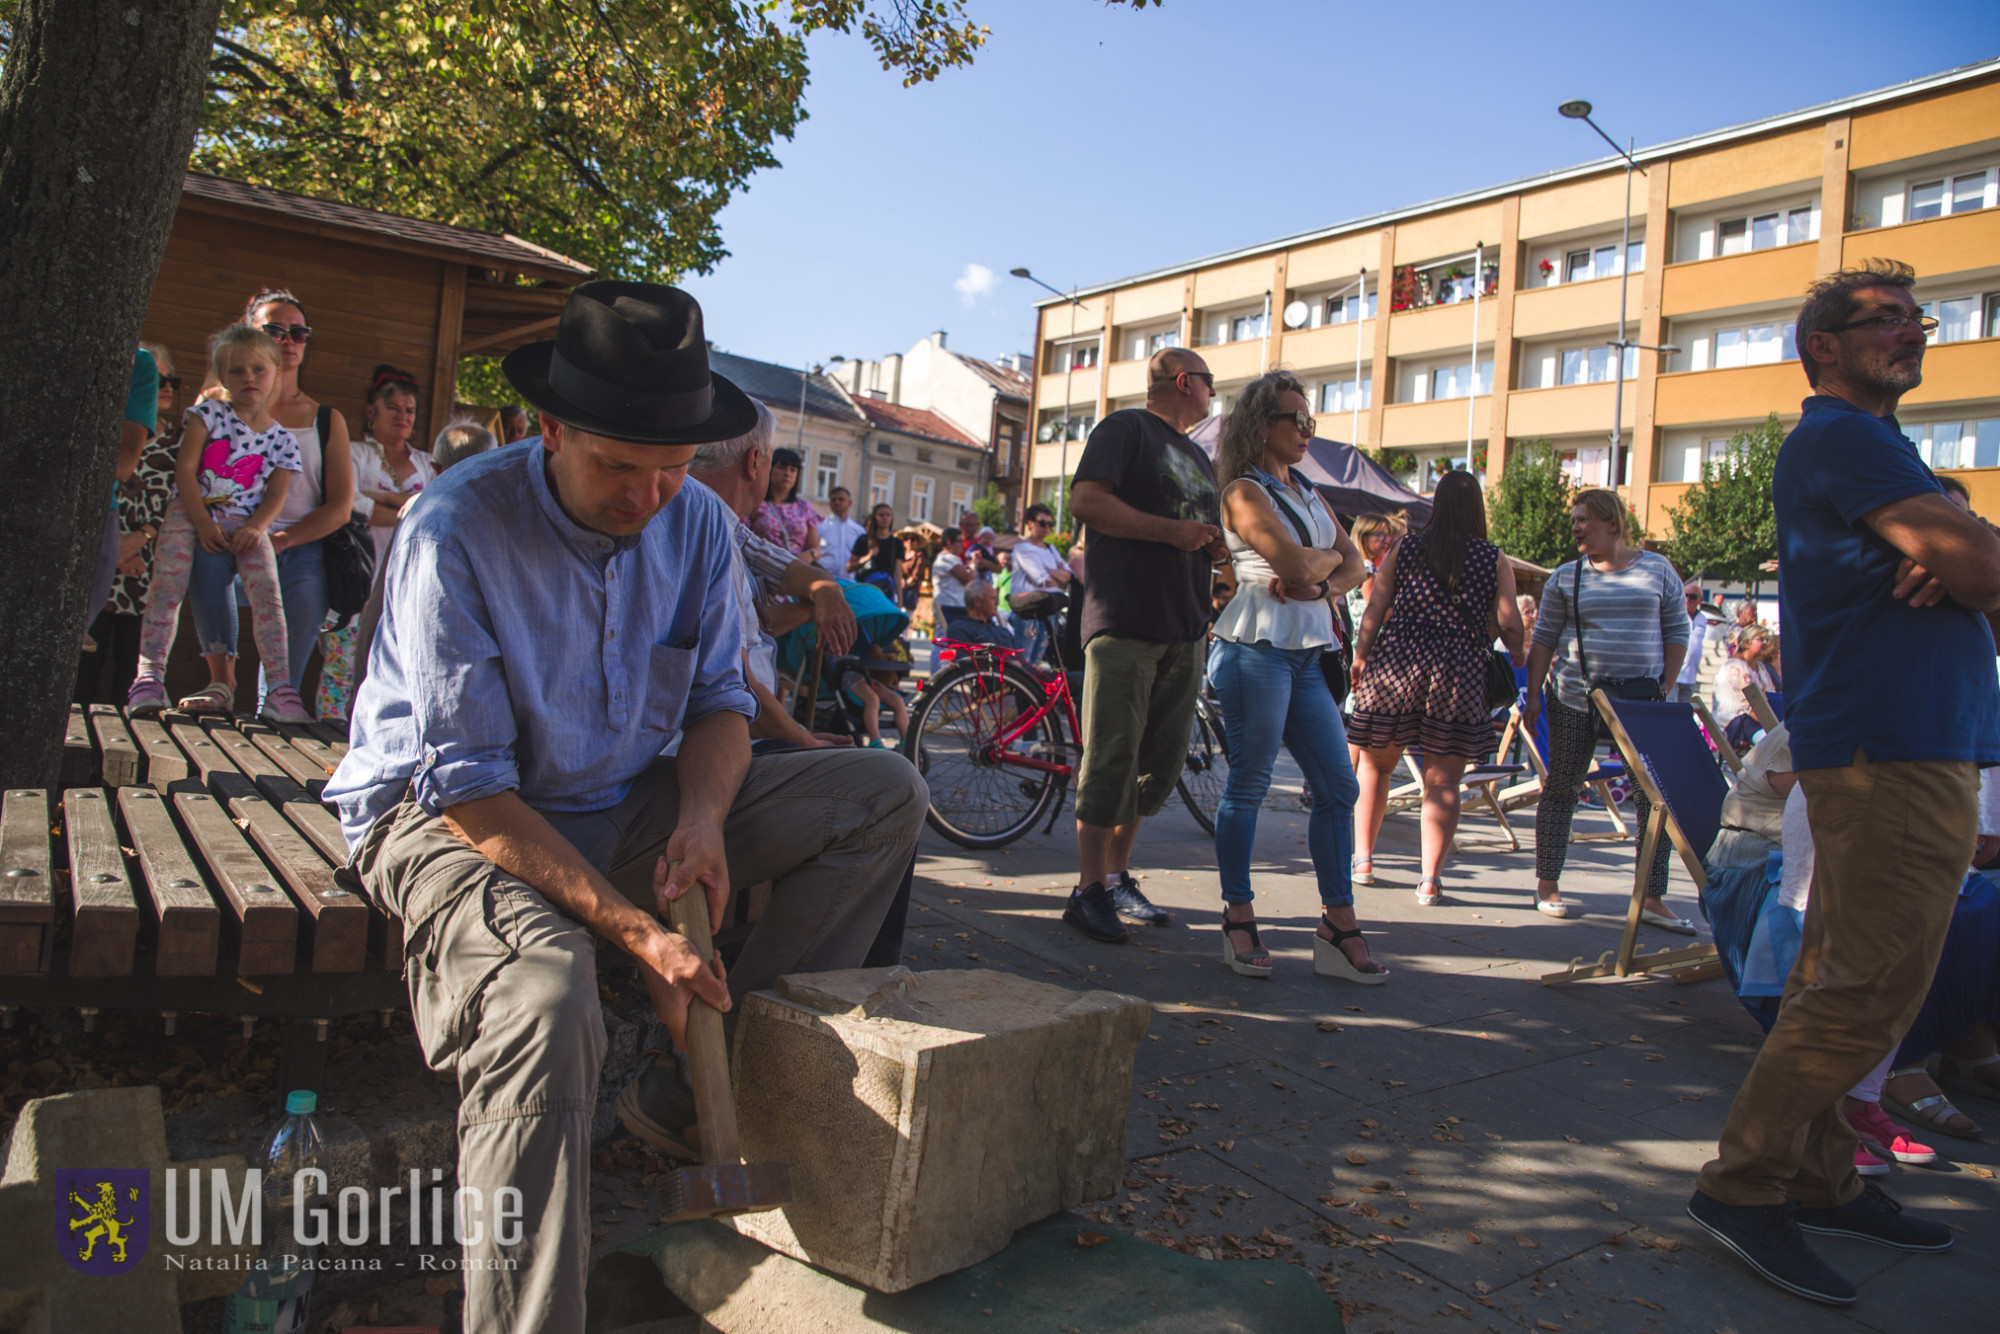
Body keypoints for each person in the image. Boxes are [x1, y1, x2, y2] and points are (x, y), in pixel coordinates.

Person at [324, 281, 926, 1332]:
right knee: (546, 1006)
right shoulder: (453, 528)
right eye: (616, 466)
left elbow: (720, 708)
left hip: (617, 793)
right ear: (548, 427)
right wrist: (637, 931)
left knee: (880, 793)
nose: (649, 496)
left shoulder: (691, 520)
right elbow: (467, 785)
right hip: (446, 817)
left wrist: (699, 822)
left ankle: (702, 1087)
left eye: (671, 468)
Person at [1686, 260, 2000, 1305]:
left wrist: (1956, 554)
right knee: (1868, 987)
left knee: (1856, 981)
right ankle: (1742, 1185)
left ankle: (1816, 1176)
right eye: (1884, 321)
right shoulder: (1844, 436)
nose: (1910, 333)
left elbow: (1972, 571)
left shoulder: (1877, 448)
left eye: (1917, 319)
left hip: (1898, 746)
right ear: (1822, 344)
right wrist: (1961, 554)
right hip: (1889, 752)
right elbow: (1983, 572)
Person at [1207, 370, 1377, 981]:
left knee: (1339, 788)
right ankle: (1238, 915)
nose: (1307, 431)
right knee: (1248, 786)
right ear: (1261, 425)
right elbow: (1290, 559)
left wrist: (1322, 579)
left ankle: (1338, 922)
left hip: (1307, 652)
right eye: (1295, 420)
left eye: (1311, 421)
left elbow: (1356, 561)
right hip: (1256, 646)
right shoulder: (1242, 492)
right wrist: (1320, 565)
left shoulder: (1306, 489)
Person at [1064, 348, 1226, 941]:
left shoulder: (1197, 456)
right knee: (1111, 760)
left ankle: (1115, 879)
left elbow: (1188, 528)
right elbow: (1086, 502)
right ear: (1184, 381)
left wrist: (1212, 546)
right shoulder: (1125, 428)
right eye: (1209, 383)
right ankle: (1086, 890)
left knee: (1155, 769)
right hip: (1126, 621)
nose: (1214, 394)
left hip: (1183, 627)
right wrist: (1173, 532)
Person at [1347, 472, 1525, 906]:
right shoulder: (1492, 558)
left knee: (1375, 766)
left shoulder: (1405, 548)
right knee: (1442, 781)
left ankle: (1364, 861)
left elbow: (1376, 606)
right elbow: (1508, 621)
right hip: (1457, 670)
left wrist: (1361, 655)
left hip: (1396, 663)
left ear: (1437, 505)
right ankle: (1429, 880)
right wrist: (1517, 653)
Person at [1517, 490, 1689, 922]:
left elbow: (1676, 628)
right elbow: (1544, 640)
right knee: (1562, 788)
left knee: (1654, 798)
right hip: (1576, 697)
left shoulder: (1657, 569)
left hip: (1640, 702)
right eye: (1573, 519)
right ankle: (1548, 884)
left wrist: (1667, 682)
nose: (1575, 526)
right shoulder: (1566, 577)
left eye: (1584, 520)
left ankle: (1650, 896)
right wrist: (1534, 694)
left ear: (1612, 523)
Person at [129, 325, 309, 723]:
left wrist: (257, 528)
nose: (248, 378)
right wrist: (201, 522)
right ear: (222, 377)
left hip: (247, 520)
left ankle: (281, 687)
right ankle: (149, 677)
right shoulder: (207, 415)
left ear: (276, 373)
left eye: (258, 370)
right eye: (236, 371)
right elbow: (186, 468)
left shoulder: (282, 440)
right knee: (168, 586)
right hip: (191, 511)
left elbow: (277, 492)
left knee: (268, 596)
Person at [688, 397, 861, 744]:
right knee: (897, 780)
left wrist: (824, 591)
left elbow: (775, 561)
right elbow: (732, 681)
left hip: (737, 732)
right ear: (755, 462)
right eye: (774, 463)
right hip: (716, 741)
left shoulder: (725, 522)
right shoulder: (702, 525)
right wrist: (804, 741)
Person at [238, 289, 359, 711]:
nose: (287, 340)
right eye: (274, 330)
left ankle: (258, 763)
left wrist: (283, 541)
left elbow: (341, 505)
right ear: (246, 333)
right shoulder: (218, 407)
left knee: (279, 687)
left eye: (298, 332)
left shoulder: (327, 419)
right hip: (227, 545)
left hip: (300, 553)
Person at [317, 367, 439, 721]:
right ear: (372, 411)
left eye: (410, 410)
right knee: (341, 669)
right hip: (355, 576)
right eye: (394, 408)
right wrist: (405, 505)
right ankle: (328, 738)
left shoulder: (425, 462)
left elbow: (432, 510)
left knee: (393, 672)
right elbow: (351, 506)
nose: (403, 416)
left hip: (404, 584)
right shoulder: (354, 454)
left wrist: (381, 499)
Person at [77, 343, 182, 703]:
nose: (166, 387)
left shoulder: (178, 440)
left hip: (144, 564)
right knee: (83, 664)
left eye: (173, 381)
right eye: (161, 379)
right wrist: (113, 548)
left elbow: (175, 498)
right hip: (105, 547)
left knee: (129, 664)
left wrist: (140, 539)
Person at [1010, 503, 1073, 664]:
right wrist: (1055, 572)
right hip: (1028, 611)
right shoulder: (1023, 549)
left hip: (1048, 610)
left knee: (1037, 660)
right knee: (1024, 659)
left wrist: (1049, 570)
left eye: (1050, 524)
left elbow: (1067, 576)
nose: (1047, 528)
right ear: (1030, 524)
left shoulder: (1051, 549)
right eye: (1042, 523)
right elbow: (1042, 580)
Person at [749, 445, 820, 562]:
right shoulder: (755, 504)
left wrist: (809, 555)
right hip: (762, 569)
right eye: (781, 467)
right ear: (770, 470)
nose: (787, 473)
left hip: (797, 571)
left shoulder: (804, 507)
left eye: (793, 470)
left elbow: (815, 548)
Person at [848, 503, 905, 600]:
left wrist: (900, 597)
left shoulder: (897, 543)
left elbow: (897, 573)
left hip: (886, 590)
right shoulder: (864, 540)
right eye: (881, 515)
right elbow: (849, 567)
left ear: (892, 518)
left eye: (888, 515)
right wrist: (867, 557)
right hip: (865, 588)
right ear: (875, 518)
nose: (885, 518)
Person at [928, 528, 975, 638]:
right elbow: (968, 579)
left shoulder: (950, 559)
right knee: (944, 642)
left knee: (950, 643)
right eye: (960, 541)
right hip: (948, 608)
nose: (962, 544)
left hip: (952, 607)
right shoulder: (947, 559)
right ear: (949, 543)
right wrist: (974, 565)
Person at [816, 485, 866, 580]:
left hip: (850, 582)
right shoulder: (820, 527)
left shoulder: (859, 531)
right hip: (825, 580)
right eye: (833, 500)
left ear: (850, 502)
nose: (837, 502)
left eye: (841, 499)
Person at [952, 581, 1019, 648]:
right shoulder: (960, 629)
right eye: (992, 598)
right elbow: (963, 657)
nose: (997, 603)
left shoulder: (1002, 630)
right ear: (977, 601)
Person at [1673, 583, 1710, 704]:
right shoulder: (1675, 615)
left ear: (1700, 599)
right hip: (1674, 674)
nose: (1689, 599)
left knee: (1684, 711)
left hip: (1691, 675)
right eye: (1686, 595)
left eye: (1693, 597)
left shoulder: (1702, 619)